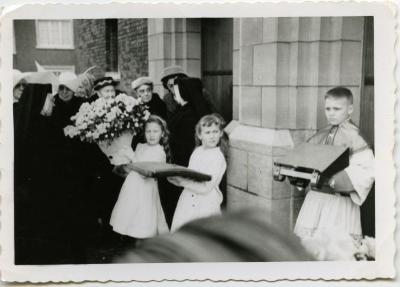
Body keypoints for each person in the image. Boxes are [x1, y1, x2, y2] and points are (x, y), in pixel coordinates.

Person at [294, 87, 375, 240]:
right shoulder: (321, 134)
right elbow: (306, 160)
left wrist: (336, 180)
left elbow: (366, 171)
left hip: (339, 202)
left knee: (335, 247)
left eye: (337, 109)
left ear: (350, 109)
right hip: (315, 201)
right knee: (309, 246)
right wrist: (298, 174)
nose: (331, 113)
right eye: (328, 108)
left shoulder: (356, 137)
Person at [110, 115, 170, 241]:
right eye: (148, 131)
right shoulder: (140, 147)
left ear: (162, 133)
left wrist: (132, 156)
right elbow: (131, 168)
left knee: (144, 222)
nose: (151, 135)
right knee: (131, 219)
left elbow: (146, 172)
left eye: (155, 131)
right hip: (132, 188)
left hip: (146, 191)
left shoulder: (160, 152)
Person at [168, 113, 227, 232]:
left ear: (220, 133)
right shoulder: (197, 152)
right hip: (188, 199)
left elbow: (206, 187)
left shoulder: (218, 157)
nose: (212, 136)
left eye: (215, 132)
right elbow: (191, 175)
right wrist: (177, 179)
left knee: (203, 235)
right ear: (200, 135)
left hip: (206, 203)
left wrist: (182, 182)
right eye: (207, 132)